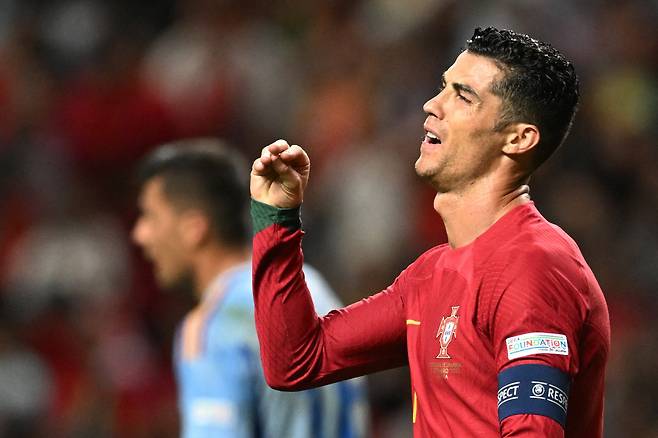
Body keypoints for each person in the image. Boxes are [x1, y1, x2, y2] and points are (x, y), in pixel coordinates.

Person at [249, 27, 610, 437]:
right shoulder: (431, 274)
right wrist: (276, 217)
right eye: (443, 87)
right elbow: (295, 361)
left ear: (518, 138)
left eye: (463, 96)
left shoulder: (533, 266)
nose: (432, 104)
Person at [132, 138, 368, 438]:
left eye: (150, 217)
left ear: (193, 228)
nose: (140, 234)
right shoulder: (312, 286)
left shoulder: (211, 327)